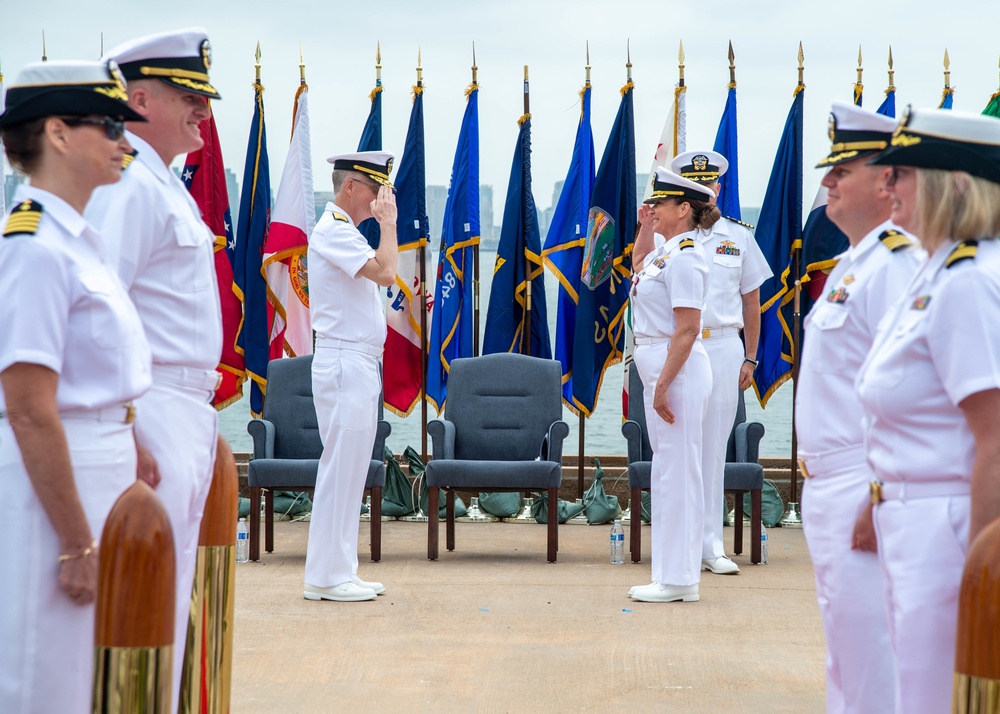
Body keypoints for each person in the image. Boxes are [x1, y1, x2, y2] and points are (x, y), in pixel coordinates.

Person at [0, 60, 151, 713]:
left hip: (101, 470)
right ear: (58, 134)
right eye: (112, 125)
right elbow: (30, 409)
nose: (126, 142)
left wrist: (133, 439)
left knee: (89, 676)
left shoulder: (79, 241)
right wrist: (75, 541)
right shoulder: (33, 246)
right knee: (47, 678)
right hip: (55, 494)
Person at [85, 28, 223, 703]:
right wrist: (129, 421)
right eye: (189, 95)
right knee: (147, 606)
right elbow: (100, 308)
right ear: (138, 97)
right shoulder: (129, 183)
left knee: (170, 605)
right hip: (155, 407)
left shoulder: (160, 181)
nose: (204, 112)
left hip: (184, 409)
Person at [858, 107, 1000, 713]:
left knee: (936, 698)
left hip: (950, 530)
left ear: (952, 184)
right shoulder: (936, 272)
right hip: (912, 517)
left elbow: (993, 439)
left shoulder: (969, 280)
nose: (885, 185)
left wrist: (983, 573)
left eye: (902, 172)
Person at [796, 102, 922, 714]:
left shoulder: (896, 264)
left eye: (841, 171)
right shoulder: (855, 263)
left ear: (885, 180)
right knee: (847, 656)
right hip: (831, 484)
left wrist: (879, 490)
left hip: (862, 484)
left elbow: (907, 393)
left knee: (874, 660)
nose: (827, 183)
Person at [669, 149, 771, 576]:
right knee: (678, 445)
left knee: (713, 448)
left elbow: (753, 301)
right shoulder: (668, 239)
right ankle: (677, 542)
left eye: (711, 186)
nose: (706, 194)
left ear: (719, 188)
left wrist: (751, 355)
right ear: (685, 194)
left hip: (725, 345)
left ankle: (710, 543)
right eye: (697, 188)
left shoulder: (739, 237)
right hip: (682, 350)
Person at [304, 151, 398, 602]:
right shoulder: (334, 231)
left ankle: (341, 569)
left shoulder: (346, 233)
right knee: (340, 469)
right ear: (351, 188)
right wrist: (391, 224)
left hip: (356, 362)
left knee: (352, 469)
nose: (381, 195)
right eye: (375, 186)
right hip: (344, 362)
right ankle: (323, 576)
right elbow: (387, 273)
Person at [628, 168, 714, 603]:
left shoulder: (687, 257)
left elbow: (688, 328)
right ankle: (667, 574)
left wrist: (662, 386)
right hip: (657, 362)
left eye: (660, 204)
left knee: (680, 473)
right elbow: (638, 267)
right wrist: (646, 227)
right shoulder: (668, 250)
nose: (652, 207)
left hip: (674, 366)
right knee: (666, 471)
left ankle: (681, 580)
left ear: (684, 209)